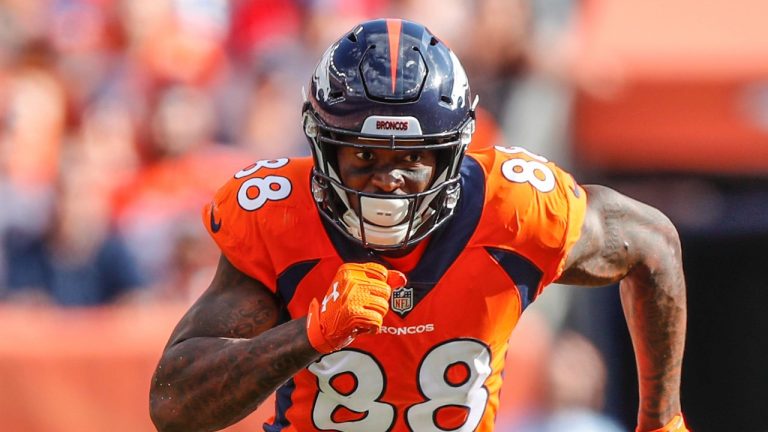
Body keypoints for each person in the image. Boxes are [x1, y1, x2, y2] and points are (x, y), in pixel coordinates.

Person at [149, 19, 688, 432]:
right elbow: (173, 405)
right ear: (324, 150)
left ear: (452, 155)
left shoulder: (515, 210)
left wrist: (661, 419)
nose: (390, 180)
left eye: (413, 157)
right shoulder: (279, 217)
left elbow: (653, 245)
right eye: (364, 155)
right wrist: (311, 333)